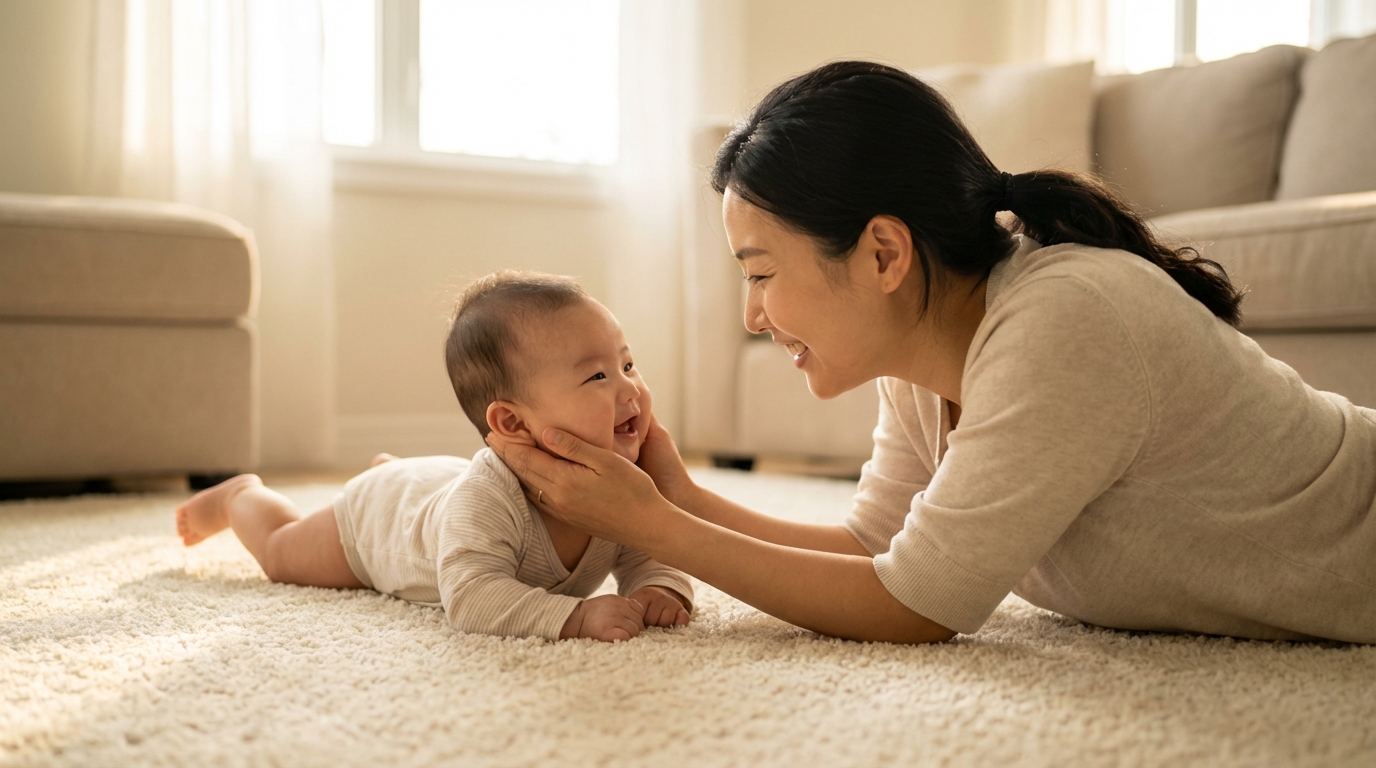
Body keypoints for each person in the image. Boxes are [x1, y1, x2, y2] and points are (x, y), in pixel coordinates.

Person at [487, 61, 1376, 645]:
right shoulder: (925, 357)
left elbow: (915, 605)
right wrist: (678, 494)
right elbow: (875, 546)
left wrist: (656, 528)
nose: (753, 316)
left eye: (760, 273)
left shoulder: (1067, 320)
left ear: (883, 253)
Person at [176, 271, 693, 643]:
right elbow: (472, 597)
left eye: (628, 364)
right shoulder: (490, 499)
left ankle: (395, 471)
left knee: (433, 494)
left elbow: (649, 544)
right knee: (282, 554)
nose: (631, 389)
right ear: (513, 425)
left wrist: (658, 585)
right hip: (375, 523)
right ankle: (240, 497)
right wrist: (575, 618)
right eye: (597, 376)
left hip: (438, 487)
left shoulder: (624, 477)